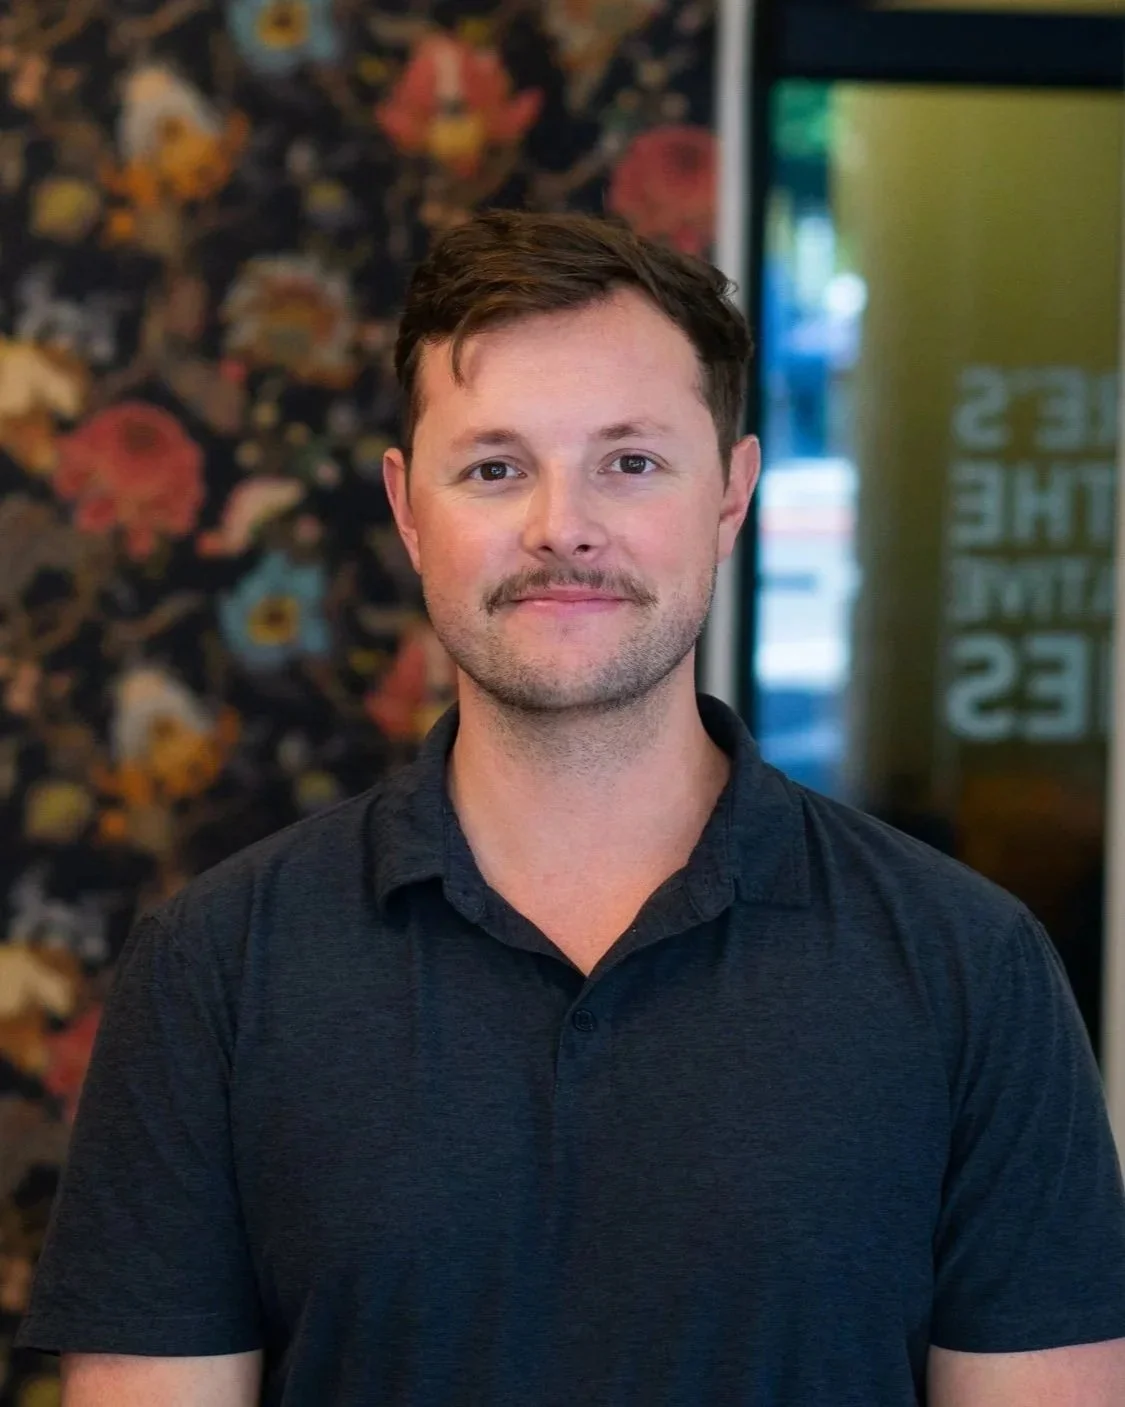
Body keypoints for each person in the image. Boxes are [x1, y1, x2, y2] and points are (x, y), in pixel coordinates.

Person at [17, 210, 1125, 1406]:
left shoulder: (971, 966)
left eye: (630, 462)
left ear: (733, 492)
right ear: (406, 509)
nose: (562, 526)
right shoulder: (214, 972)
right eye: (495, 468)